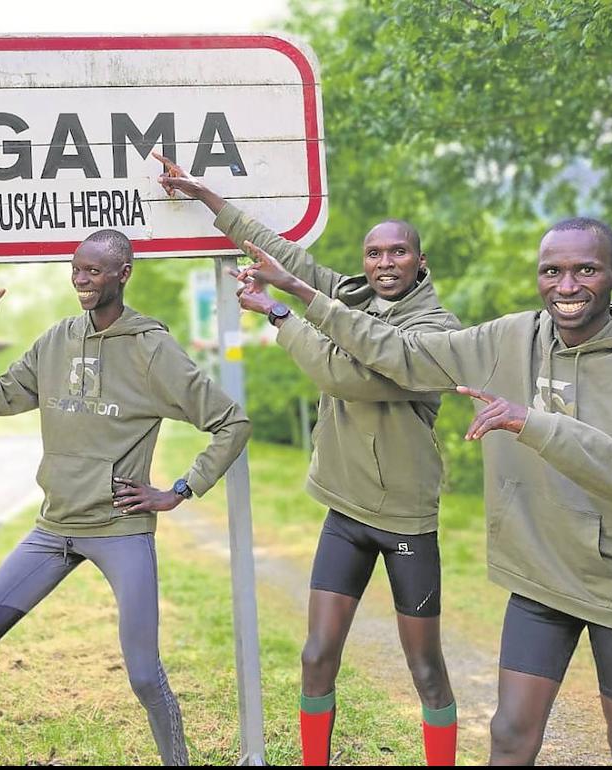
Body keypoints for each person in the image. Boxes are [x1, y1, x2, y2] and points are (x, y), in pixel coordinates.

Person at [239, 217, 612, 765]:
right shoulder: (510, 339)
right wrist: (298, 295)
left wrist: (535, 425)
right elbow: (402, 353)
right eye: (552, 271)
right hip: (537, 578)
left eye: (586, 270)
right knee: (509, 736)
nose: (566, 286)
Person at [156, 153, 463, 765]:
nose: (384, 263)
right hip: (344, 511)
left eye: (398, 252)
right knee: (317, 655)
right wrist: (207, 197)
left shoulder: (437, 331)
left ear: (420, 261)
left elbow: (345, 374)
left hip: (405, 519)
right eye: (374, 253)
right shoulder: (350, 297)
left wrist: (280, 309)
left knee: (425, 668)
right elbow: (283, 256)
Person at [0, 228, 251, 766]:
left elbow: (231, 422)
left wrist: (180, 490)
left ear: (123, 274)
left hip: (119, 530)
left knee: (144, 673)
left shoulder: (151, 348)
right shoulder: (56, 340)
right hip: (53, 530)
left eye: (93, 271)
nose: (81, 280)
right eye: (76, 269)